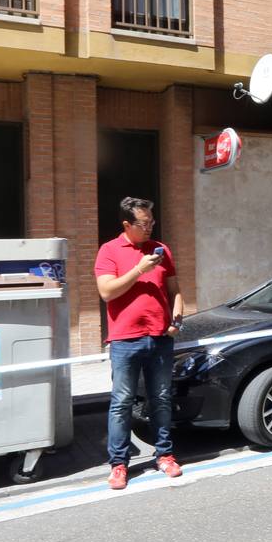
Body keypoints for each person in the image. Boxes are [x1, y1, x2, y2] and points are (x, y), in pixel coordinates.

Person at [94, 196, 186, 490]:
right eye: (143, 224)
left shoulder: (161, 250)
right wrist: (138, 270)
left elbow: (175, 289)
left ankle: (165, 455)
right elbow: (107, 291)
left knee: (160, 399)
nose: (149, 228)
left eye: (152, 222)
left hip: (159, 338)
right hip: (125, 341)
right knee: (121, 403)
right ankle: (119, 464)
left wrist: (178, 318)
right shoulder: (109, 251)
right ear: (126, 224)